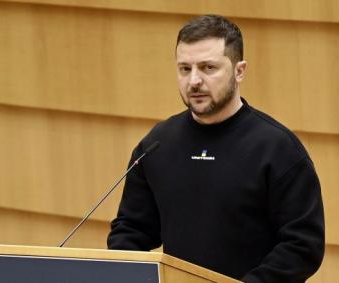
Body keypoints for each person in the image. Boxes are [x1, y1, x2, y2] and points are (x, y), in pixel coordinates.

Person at [107, 15, 325, 282]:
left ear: (239, 70)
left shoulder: (278, 148)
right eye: (185, 69)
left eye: (208, 68)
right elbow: (132, 230)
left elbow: (302, 246)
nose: (194, 81)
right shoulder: (157, 144)